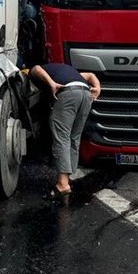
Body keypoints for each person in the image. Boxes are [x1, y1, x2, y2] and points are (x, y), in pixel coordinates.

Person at [30, 63, 101, 195]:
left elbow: (36, 69)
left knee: (61, 137)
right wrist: (97, 88)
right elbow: (91, 75)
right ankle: (67, 180)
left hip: (68, 94)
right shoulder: (72, 73)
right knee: (74, 138)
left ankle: (62, 184)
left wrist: (51, 83)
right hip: (86, 95)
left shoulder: (42, 71)